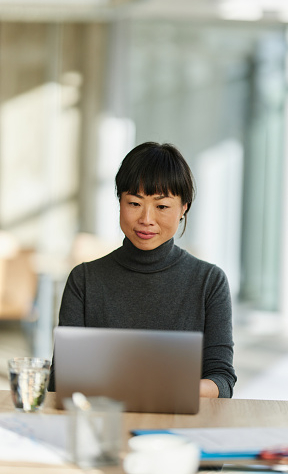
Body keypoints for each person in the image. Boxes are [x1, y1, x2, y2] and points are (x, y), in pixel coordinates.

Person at [48, 141, 237, 398]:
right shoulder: (84, 280)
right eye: (135, 203)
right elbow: (62, 379)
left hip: (181, 427)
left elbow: (222, 380)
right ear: (120, 202)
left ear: (184, 208)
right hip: (102, 420)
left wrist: (163, 390)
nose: (146, 219)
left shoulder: (209, 282)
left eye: (161, 206)